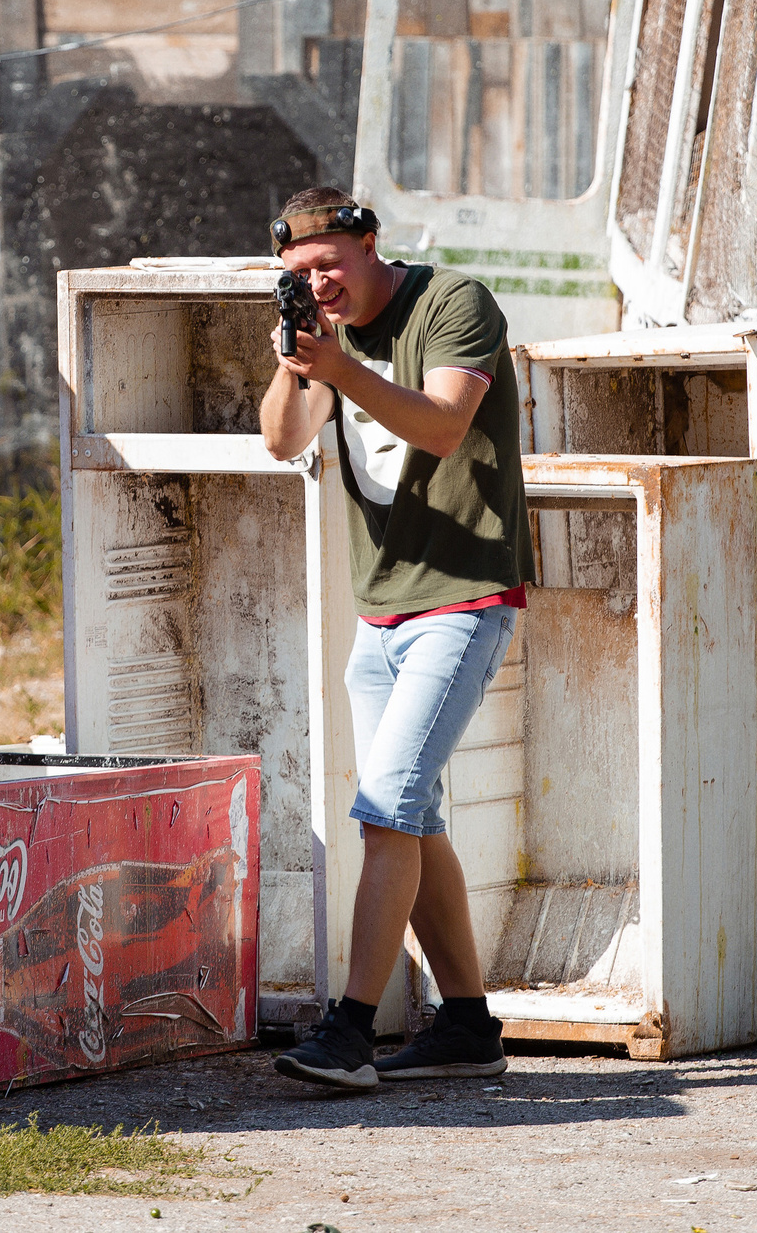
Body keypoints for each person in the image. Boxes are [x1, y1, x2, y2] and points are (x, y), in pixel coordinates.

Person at [258, 186, 528, 1090]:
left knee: (385, 809)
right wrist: (300, 367)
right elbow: (279, 440)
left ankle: (350, 1031)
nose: (319, 284)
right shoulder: (322, 342)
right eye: (299, 276)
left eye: (329, 265)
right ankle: (467, 1025)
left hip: (465, 596)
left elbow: (445, 426)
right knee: (413, 818)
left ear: (372, 243)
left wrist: (340, 371)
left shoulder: (453, 302)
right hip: (381, 615)